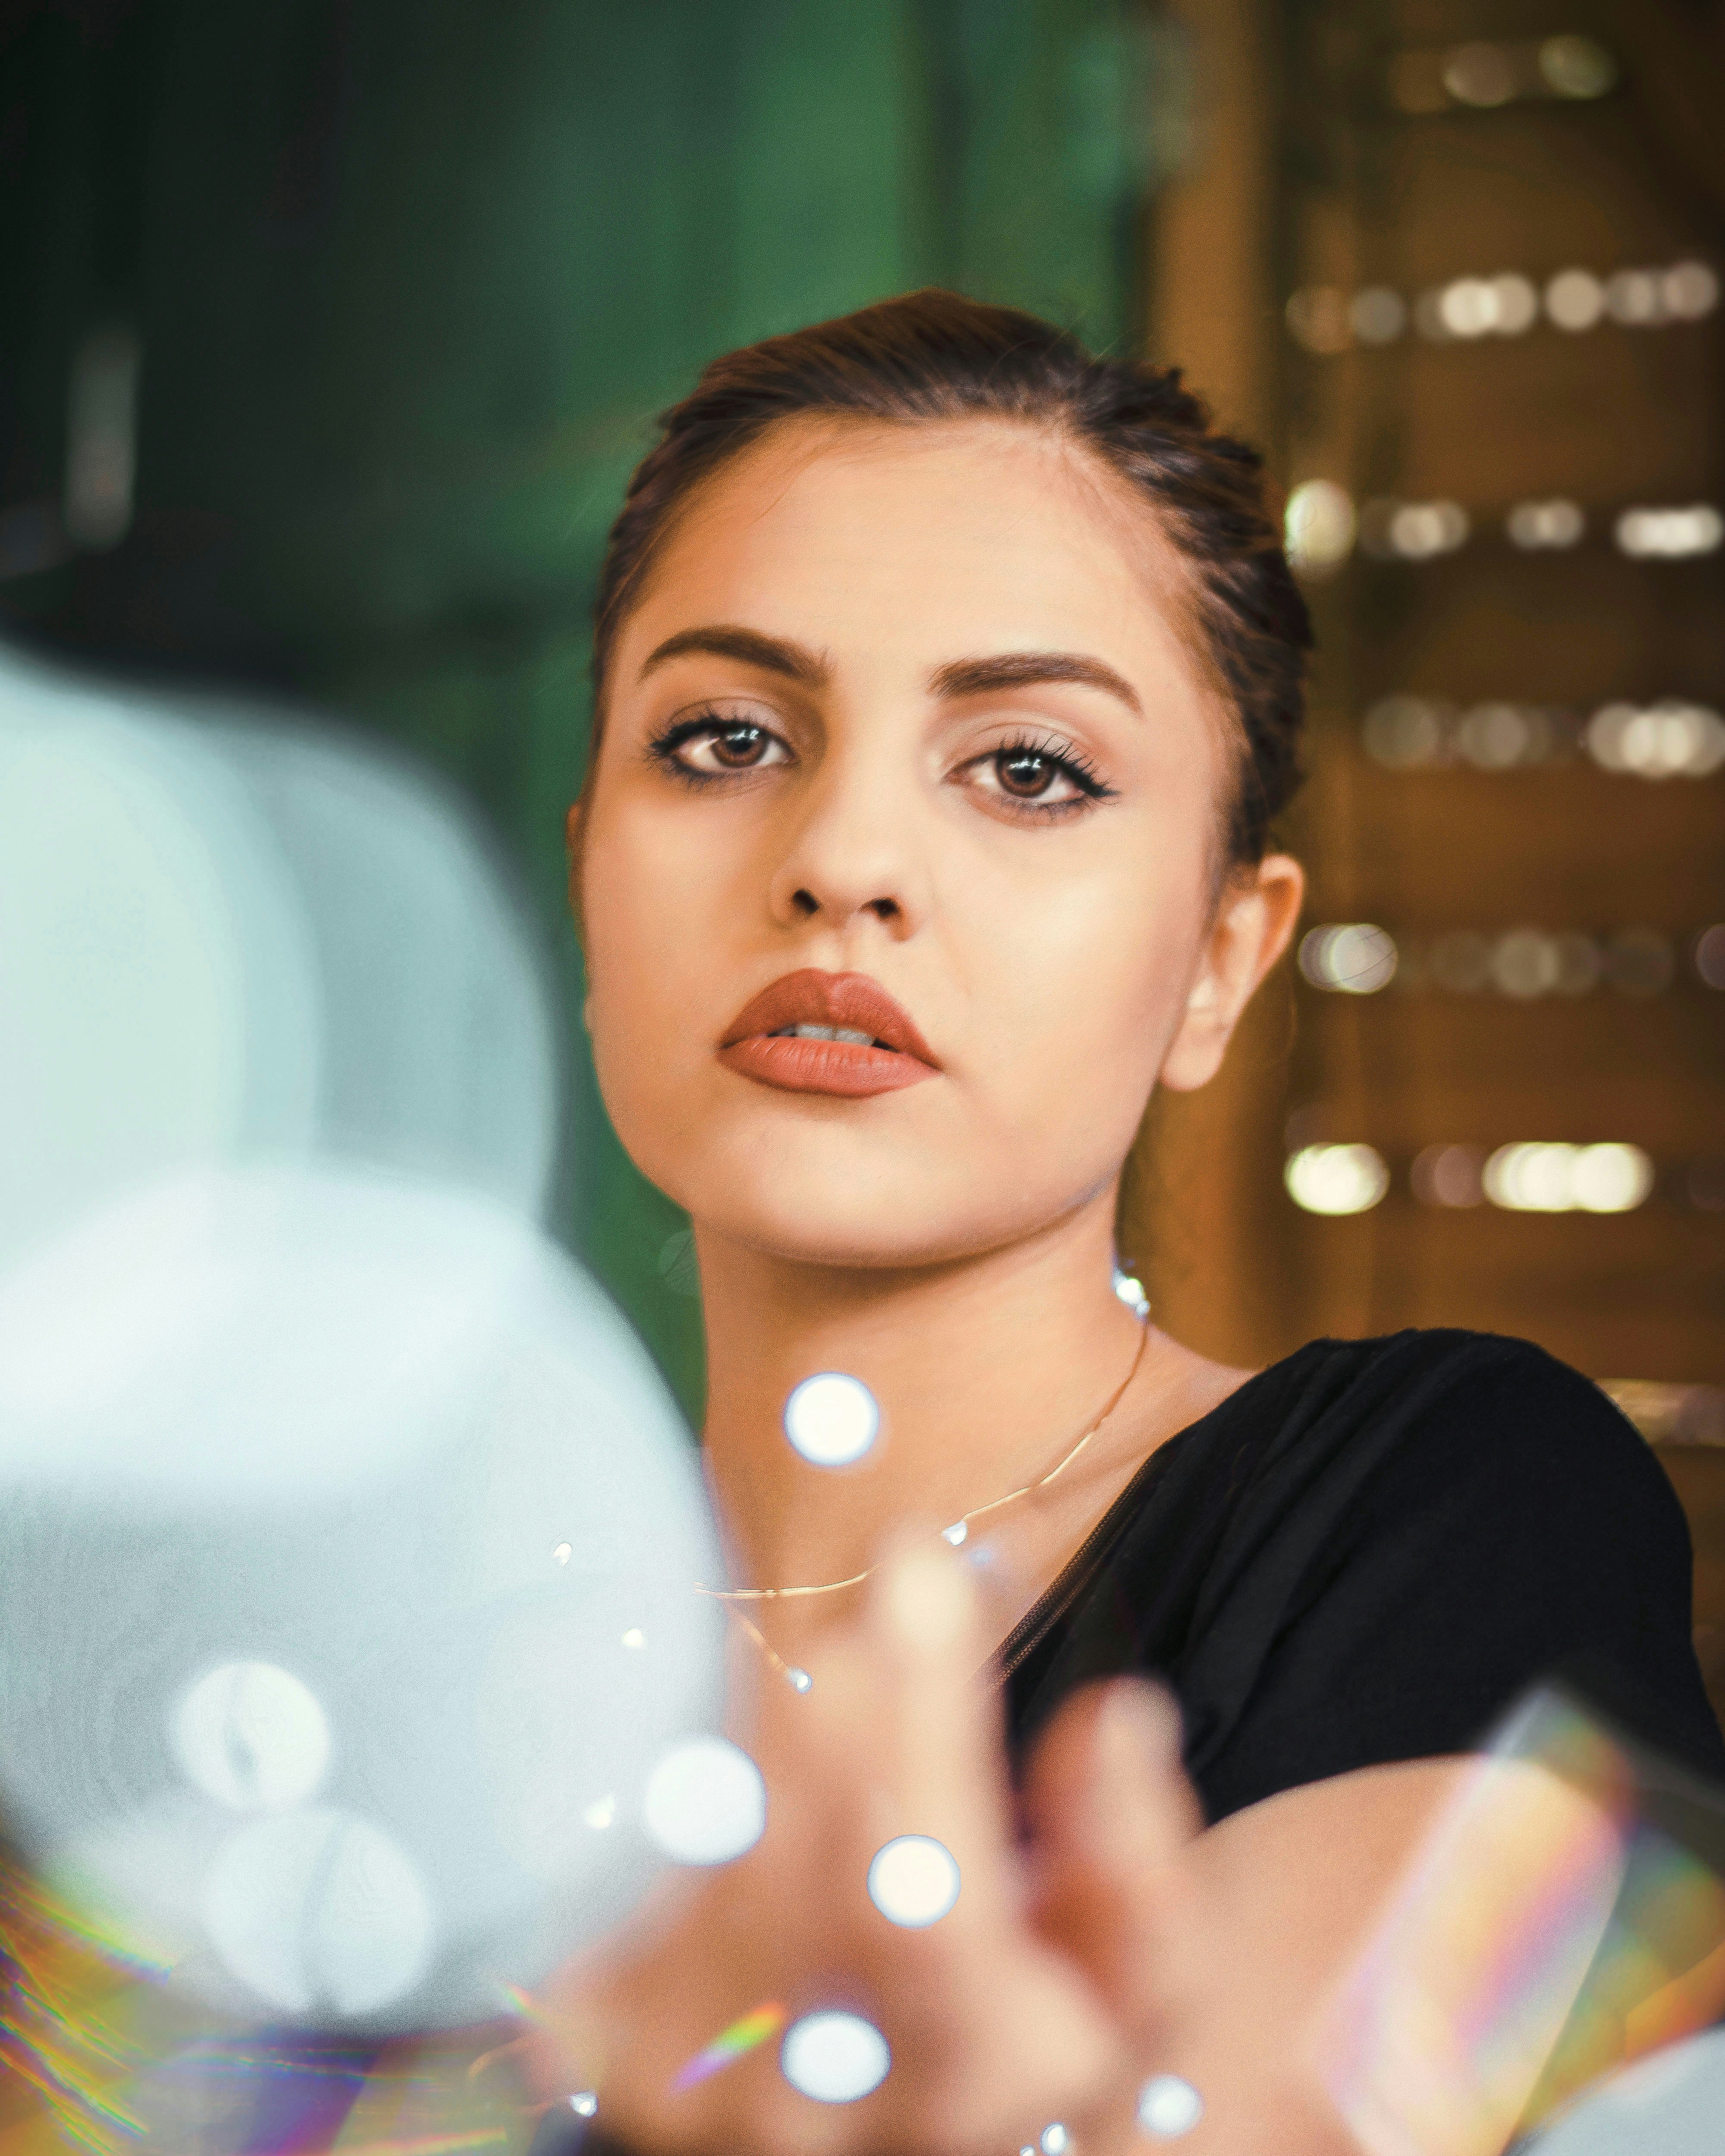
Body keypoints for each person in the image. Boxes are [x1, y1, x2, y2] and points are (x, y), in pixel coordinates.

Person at [543, 291, 1725, 2155]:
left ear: (1219, 959)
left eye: (1029, 767)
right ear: (588, 869)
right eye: (723, 738)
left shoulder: (1445, 1504)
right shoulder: (396, 1669)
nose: (841, 859)